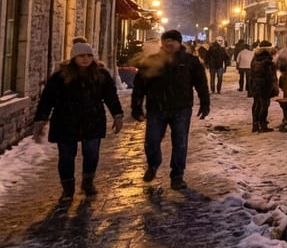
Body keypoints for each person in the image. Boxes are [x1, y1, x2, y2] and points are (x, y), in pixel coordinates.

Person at [32, 42, 124, 198]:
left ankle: (88, 181)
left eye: (89, 56)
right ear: (74, 57)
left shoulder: (101, 75)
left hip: (92, 119)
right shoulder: (61, 76)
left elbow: (110, 96)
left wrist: (117, 114)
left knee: (92, 153)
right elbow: (48, 99)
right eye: (81, 56)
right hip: (65, 119)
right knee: (67, 156)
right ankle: (68, 187)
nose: (85, 59)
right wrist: (41, 119)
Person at [131, 29, 210, 190]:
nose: (169, 43)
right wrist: (136, 106)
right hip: (156, 108)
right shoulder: (152, 61)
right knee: (151, 141)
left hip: (181, 108)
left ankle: (177, 176)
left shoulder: (189, 61)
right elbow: (140, 86)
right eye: (166, 40)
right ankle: (153, 164)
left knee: (180, 143)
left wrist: (205, 103)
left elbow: (201, 83)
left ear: (179, 42)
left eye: (172, 40)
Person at [247, 41, 278, 132]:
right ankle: (262, 125)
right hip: (264, 84)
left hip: (255, 84)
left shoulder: (255, 57)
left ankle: (255, 124)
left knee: (256, 103)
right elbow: (269, 73)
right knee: (264, 104)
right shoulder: (266, 59)